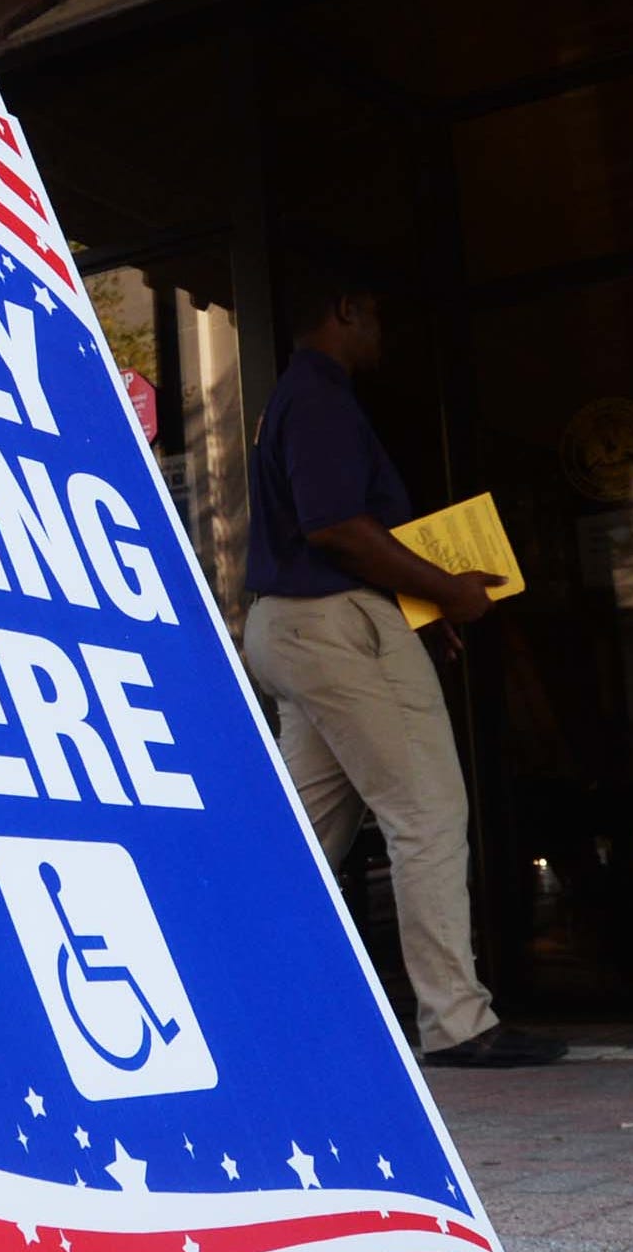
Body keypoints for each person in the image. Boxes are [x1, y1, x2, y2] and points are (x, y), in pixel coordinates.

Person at [238, 273, 564, 1069]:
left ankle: (239, 1001)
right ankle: (457, 1020)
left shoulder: (297, 398)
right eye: (377, 310)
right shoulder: (319, 395)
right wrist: (447, 590)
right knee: (427, 813)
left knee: (305, 840)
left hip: (299, 626)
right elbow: (336, 527)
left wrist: (415, 608)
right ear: (344, 305)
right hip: (333, 623)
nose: (383, 328)